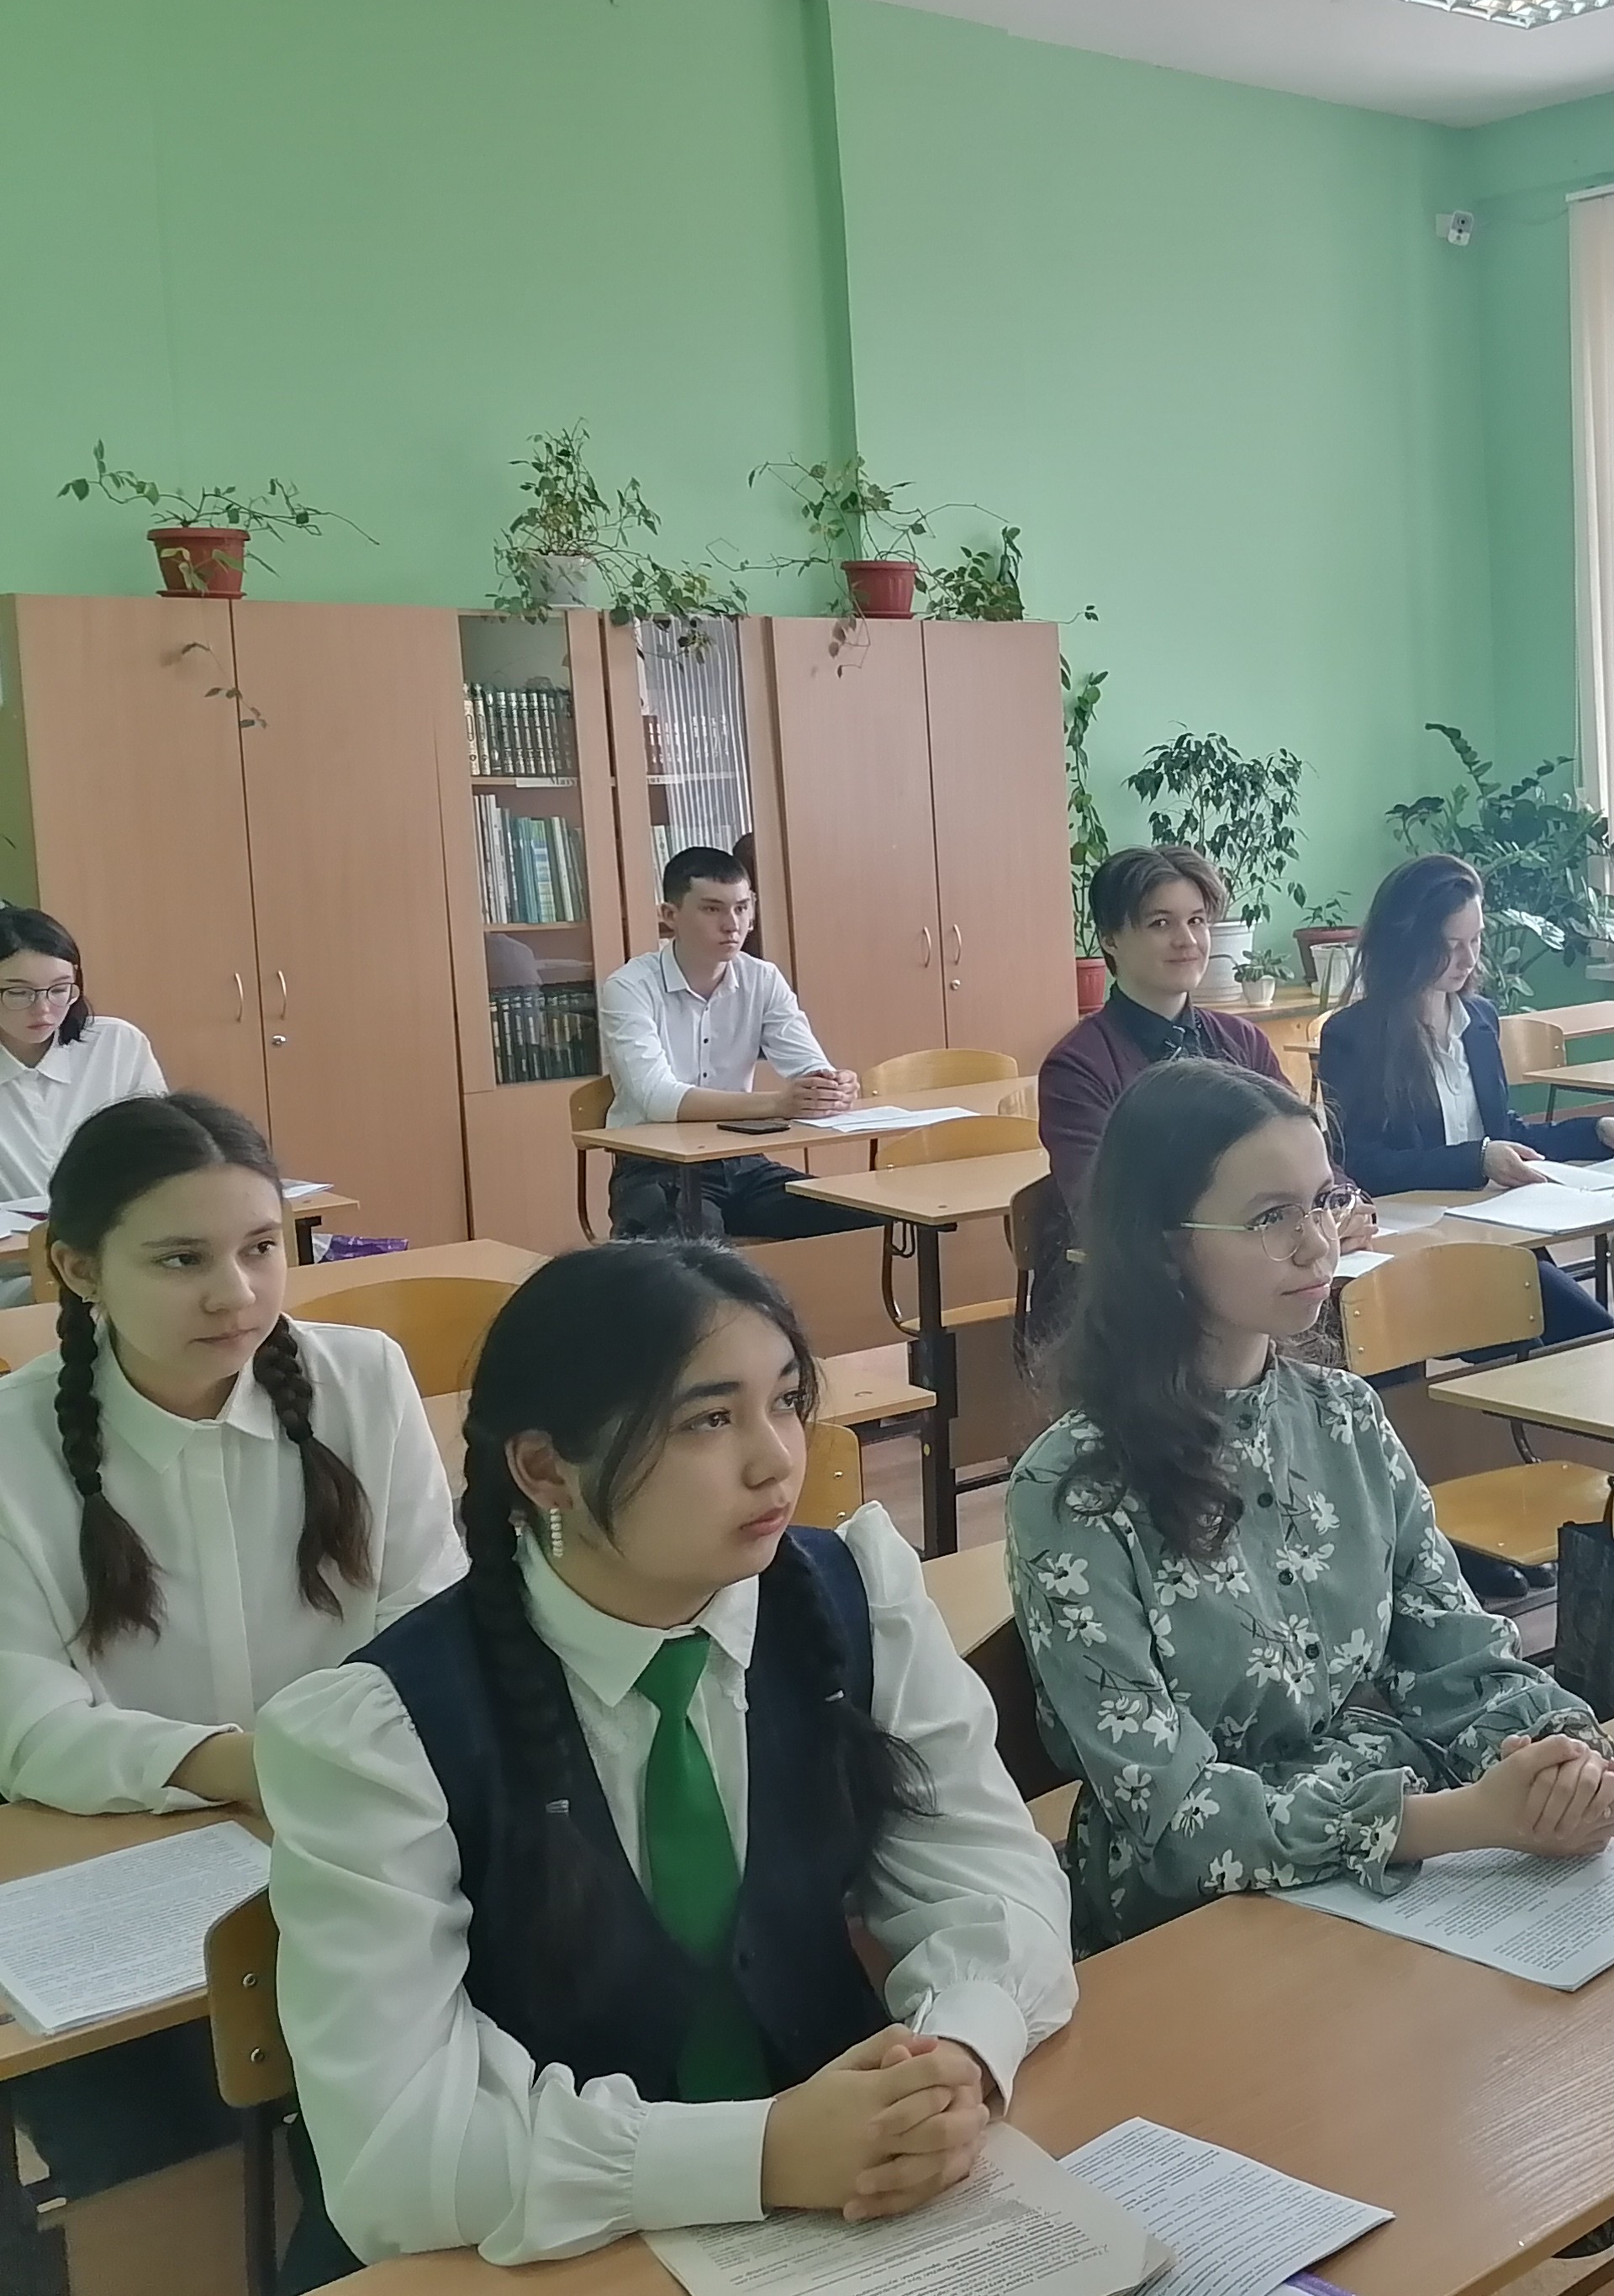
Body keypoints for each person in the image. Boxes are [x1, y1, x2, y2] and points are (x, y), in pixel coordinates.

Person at [257, 1241, 1075, 2272]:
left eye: (786, 1401)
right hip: (528, 2255)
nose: (776, 1460)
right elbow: (397, 2149)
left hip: (837, 2218)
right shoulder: (378, 1732)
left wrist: (953, 2054)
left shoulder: (855, 1594)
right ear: (545, 1469)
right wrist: (763, 2153)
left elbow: (993, 1874)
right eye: (707, 1421)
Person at [1003, 1058, 1614, 1949]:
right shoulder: (1073, 1491)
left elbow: (1457, 1655)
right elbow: (1173, 1819)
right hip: (1197, 1920)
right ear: (1161, 1244)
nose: (1317, 1246)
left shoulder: (1345, 1416)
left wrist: (1567, 1757)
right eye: (1271, 1217)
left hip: (1388, 1860)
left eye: (1324, 1201)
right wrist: (1461, 1819)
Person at [0, 1095, 462, 2198]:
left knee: (418, 2098)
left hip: (366, 1844)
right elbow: (24, 1717)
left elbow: (433, 1627)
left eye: (261, 1248)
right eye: (181, 1260)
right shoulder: (16, 1443)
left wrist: (329, 1770)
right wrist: (240, 1765)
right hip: (126, 1879)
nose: (238, 1293)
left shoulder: (362, 1380)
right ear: (78, 1268)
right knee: (147, 2142)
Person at [1318, 854, 1614, 1343]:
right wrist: (1475, 1160)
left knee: (1596, 1339)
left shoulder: (1481, 1019)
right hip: (1415, 1251)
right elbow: (1362, 1163)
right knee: (1545, 1342)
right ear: (1407, 944)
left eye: (1476, 940)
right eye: (1451, 946)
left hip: (1499, 1235)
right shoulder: (1353, 1035)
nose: (1468, 960)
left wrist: (1595, 1131)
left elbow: (1506, 1135)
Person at [597, 847, 876, 1241]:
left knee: (870, 1216)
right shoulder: (629, 987)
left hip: (741, 1161)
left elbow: (808, 1065)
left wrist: (830, 1086)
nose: (732, 925)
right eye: (712, 909)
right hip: (656, 1167)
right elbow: (658, 1099)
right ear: (670, 915)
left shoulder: (762, 978)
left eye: (742, 908)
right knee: (691, 1253)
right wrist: (778, 1105)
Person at [1038, 847, 1291, 1198]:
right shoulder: (1078, 1068)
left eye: (1196, 921)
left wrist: (1344, 1204)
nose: (1187, 941)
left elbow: (1301, 1151)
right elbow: (1101, 1207)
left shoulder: (1244, 1042)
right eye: (1161, 923)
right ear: (1109, 939)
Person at [0, 907, 166, 1306]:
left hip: (117, 1250)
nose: (43, 1010)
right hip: (13, 1271)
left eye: (60, 989)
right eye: (19, 993)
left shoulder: (116, 1045)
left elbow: (162, 1152)